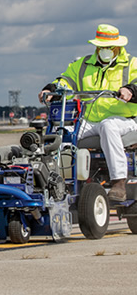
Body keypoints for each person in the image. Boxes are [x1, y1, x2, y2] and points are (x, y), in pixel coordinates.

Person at [38, 24, 137, 201]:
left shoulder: (131, 64)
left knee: (108, 126)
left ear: (117, 47)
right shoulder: (82, 65)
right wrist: (50, 90)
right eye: (101, 47)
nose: (104, 51)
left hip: (124, 120)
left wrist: (131, 90)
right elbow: (65, 80)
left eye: (108, 48)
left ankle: (119, 182)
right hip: (90, 119)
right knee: (62, 134)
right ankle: (53, 180)